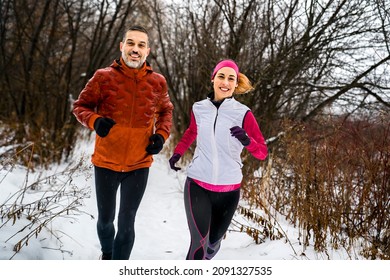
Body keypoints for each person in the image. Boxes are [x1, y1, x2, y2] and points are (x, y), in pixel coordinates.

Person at [72, 25, 173, 260]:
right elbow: (80, 107)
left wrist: (161, 136)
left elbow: (166, 111)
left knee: (127, 222)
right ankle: (107, 253)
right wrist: (95, 121)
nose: (135, 49)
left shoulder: (158, 82)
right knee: (106, 221)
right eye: (130, 43)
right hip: (106, 162)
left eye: (140, 45)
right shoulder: (103, 77)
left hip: (138, 165)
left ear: (148, 51)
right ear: (122, 46)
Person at [168, 59, 268, 260]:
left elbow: (262, 153)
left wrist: (247, 141)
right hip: (198, 183)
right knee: (198, 245)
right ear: (213, 79)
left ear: (236, 84)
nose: (226, 82)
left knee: (211, 247)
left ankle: (213, 246)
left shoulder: (243, 113)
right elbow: (191, 132)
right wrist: (178, 153)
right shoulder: (199, 108)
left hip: (228, 189)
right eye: (221, 76)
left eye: (231, 78)